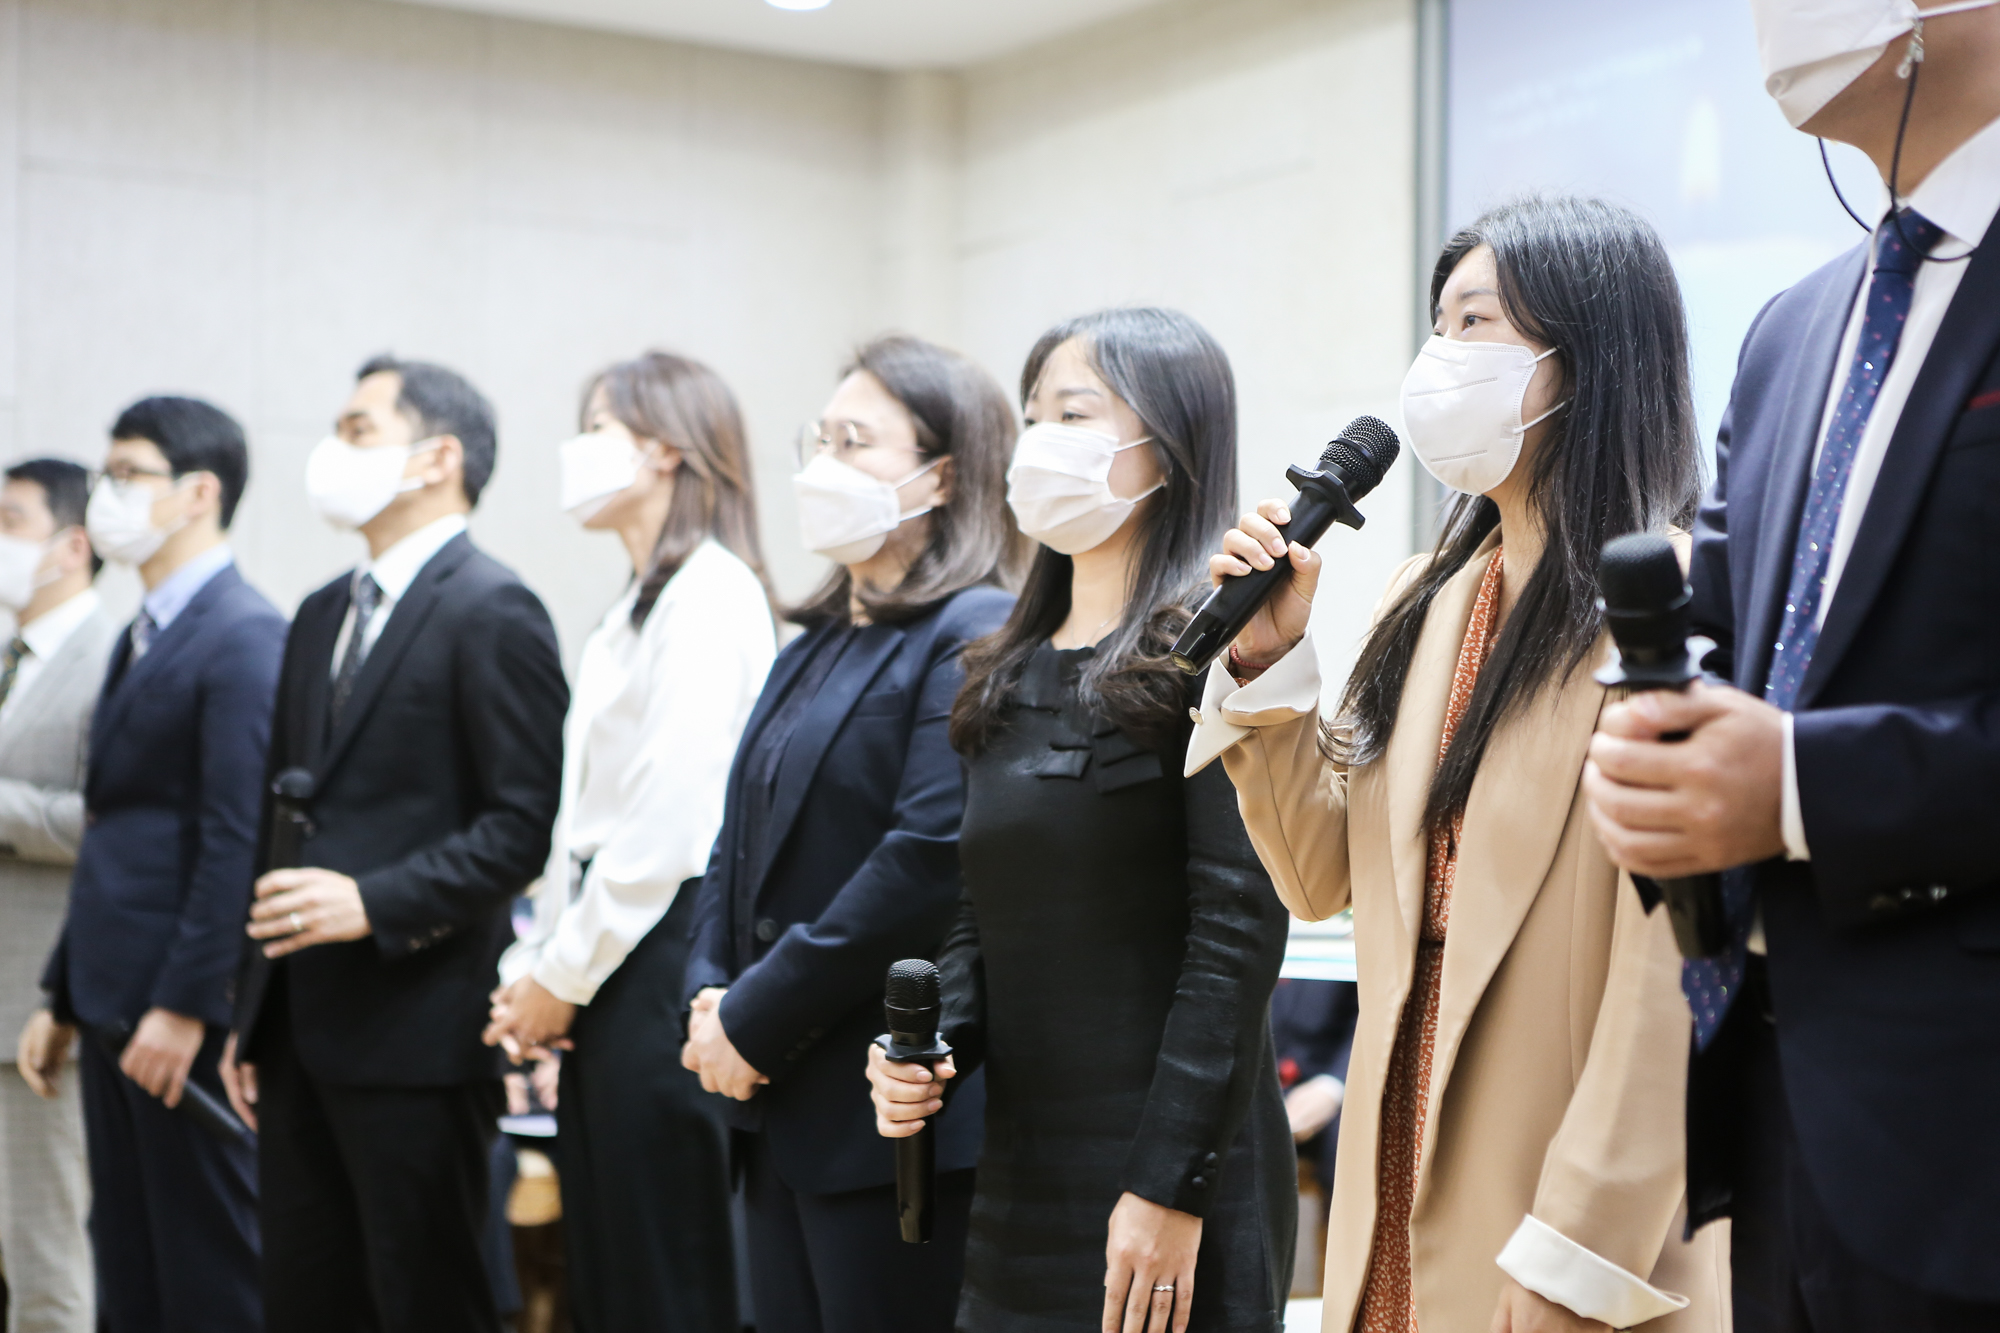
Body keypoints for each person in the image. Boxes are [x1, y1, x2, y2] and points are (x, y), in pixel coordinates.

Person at [1184, 198, 1728, 1333]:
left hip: (1561, 1194)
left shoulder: (1667, 600)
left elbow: (1673, 974)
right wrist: (1265, 667)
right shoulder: (1425, 597)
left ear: (1588, 355)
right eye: (1438, 324)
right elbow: (1320, 878)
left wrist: (1581, 1248)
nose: (1440, 359)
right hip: (1393, 1160)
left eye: (1474, 322)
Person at [1583, 3, 2000, 1328]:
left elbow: (1792, 752)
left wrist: (1806, 787)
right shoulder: (1790, 329)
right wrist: (1658, 759)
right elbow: (1724, 642)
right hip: (1778, 1118)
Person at [868, 307, 1296, 1333]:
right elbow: (985, 913)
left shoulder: (1220, 649)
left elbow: (1235, 933)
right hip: (1025, 1169)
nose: (1038, 442)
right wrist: (928, 1047)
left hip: (1175, 1168)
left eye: (1073, 413)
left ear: (1170, 446)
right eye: (1032, 417)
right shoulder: (1002, 667)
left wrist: (1166, 1186)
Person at [680, 334, 1021, 1333]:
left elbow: (926, 859)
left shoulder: (973, 622)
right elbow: (733, 841)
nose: (822, 465)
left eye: (854, 441)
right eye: (819, 439)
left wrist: (754, 1015)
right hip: (772, 1096)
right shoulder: (818, 639)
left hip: (886, 1109)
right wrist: (707, 991)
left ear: (940, 475)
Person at [221, 355, 568, 1333]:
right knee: (303, 1301)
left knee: (426, 1300)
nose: (333, 449)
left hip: (418, 1030)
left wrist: (373, 901)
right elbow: (279, 817)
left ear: (437, 457)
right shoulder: (320, 610)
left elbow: (520, 827)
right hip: (296, 1027)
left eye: (359, 429)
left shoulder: (494, 607)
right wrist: (250, 1012)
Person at [484, 351, 778, 1333]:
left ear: (665, 448)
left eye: (597, 426)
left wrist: (559, 973)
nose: (577, 450)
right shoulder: (636, 603)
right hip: (611, 956)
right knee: (609, 1268)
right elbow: (582, 822)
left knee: (666, 1272)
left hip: (661, 952)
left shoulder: (711, 592)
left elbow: (667, 822)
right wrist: (539, 965)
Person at [29, 399, 283, 1332]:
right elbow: (115, 825)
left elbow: (236, 836)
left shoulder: (245, 632)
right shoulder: (144, 631)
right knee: (129, 1262)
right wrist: (63, 994)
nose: (108, 494)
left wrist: (187, 1005)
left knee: (208, 1268)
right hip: (110, 998)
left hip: (174, 1010)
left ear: (199, 492)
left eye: (129, 474)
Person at [2, 459, 118, 1333]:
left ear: (72, 545)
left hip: (37, 1005)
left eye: (10, 522)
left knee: (49, 1263)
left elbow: (115, 819)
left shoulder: (113, 657)